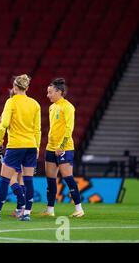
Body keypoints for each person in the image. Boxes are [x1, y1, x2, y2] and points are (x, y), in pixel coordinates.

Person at [0, 74, 41, 221]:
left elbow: (3, 124)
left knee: (5, 179)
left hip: (16, 145)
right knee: (28, 180)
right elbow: (38, 130)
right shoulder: (35, 104)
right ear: (27, 88)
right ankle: (27, 213)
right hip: (31, 145)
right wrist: (37, 148)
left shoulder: (11, 102)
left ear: (15, 88)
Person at [41, 78, 84, 217]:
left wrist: (62, 146)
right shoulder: (52, 107)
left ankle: (79, 209)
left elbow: (69, 128)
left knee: (68, 177)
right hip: (51, 147)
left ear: (59, 92)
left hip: (64, 147)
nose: (48, 95)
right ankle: (50, 210)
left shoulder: (68, 107)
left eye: (50, 92)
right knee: (50, 179)